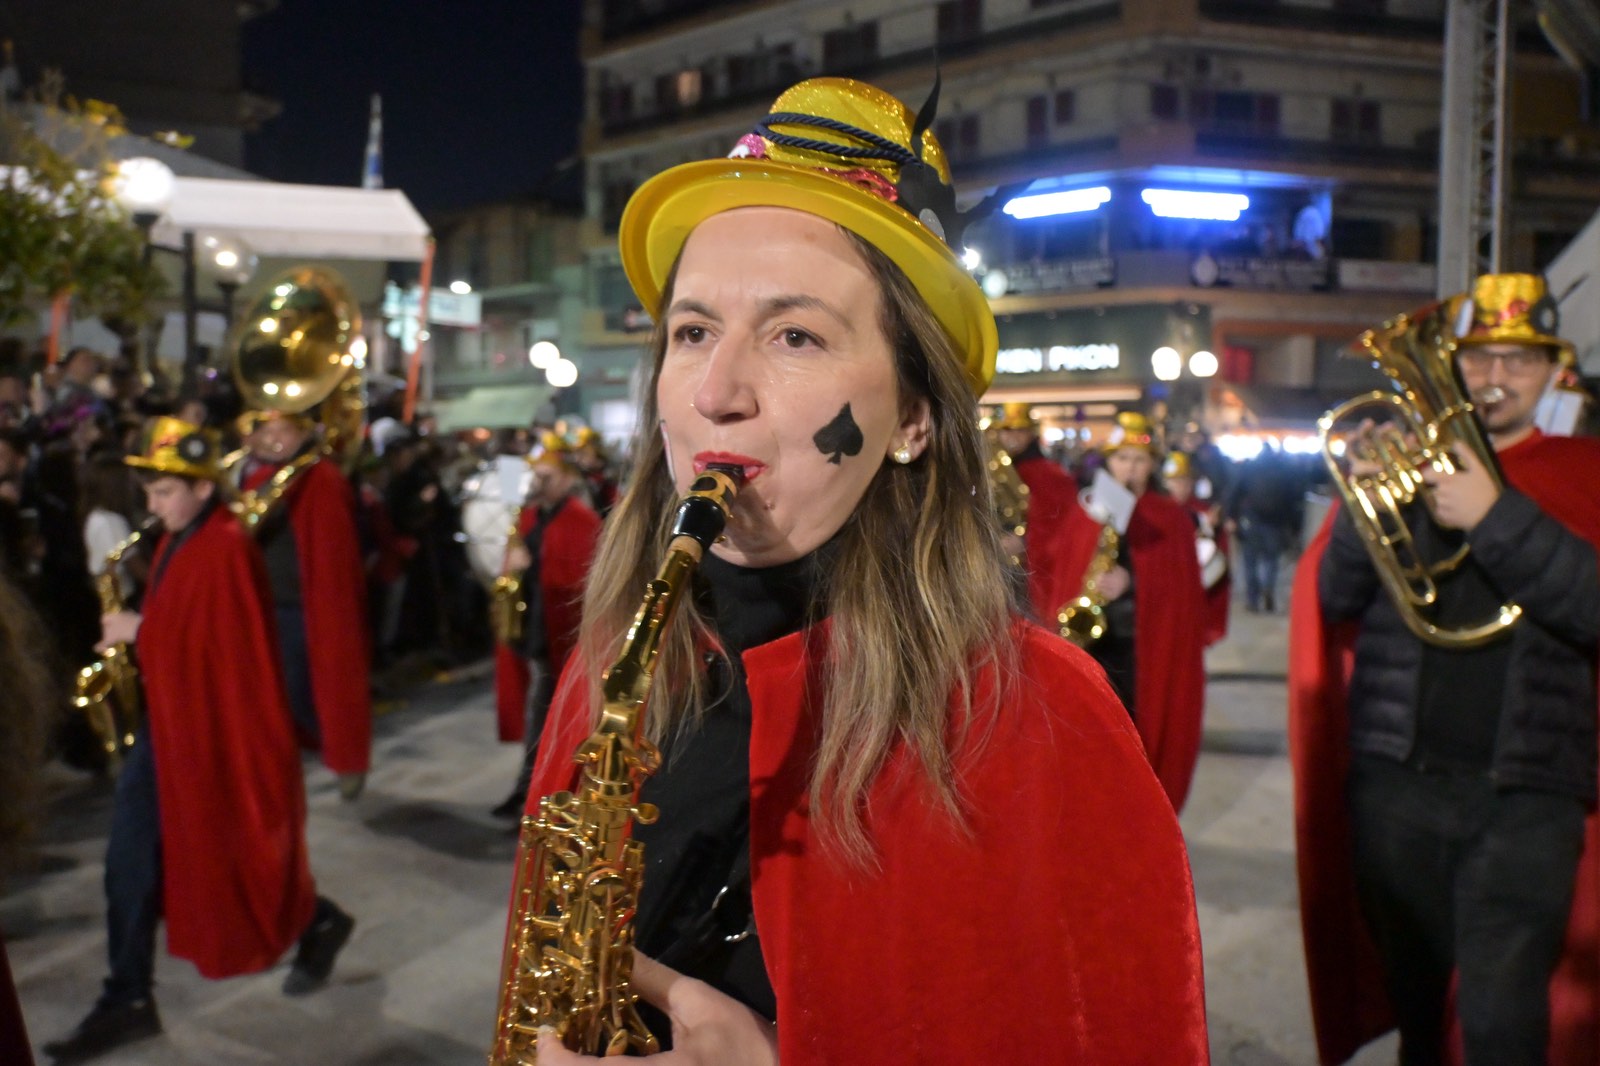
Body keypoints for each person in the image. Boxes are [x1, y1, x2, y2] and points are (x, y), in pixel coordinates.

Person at [522, 77, 1207, 1064]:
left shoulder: (1045, 716)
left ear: (913, 419)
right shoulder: (618, 659)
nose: (715, 392)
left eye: (795, 335)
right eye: (693, 331)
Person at [1290, 273, 1600, 1065]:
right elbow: (1334, 598)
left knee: (1503, 1023)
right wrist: (1361, 506)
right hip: (1395, 784)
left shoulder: (1586, 473)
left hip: (1526, 798)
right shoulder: (1406, 466)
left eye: (1518, 360)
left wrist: (1494, 516)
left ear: (1553, 369)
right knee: (1418, 1015)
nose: (1496, 377)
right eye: (1479, 357)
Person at [44, 417, 355, 1063]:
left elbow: (227, 652)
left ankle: (312, 919)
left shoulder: (223, 545)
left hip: (209, 732)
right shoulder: (179, 539)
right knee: (138, 862)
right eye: (150, 493)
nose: (153, 505)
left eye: (164, 492)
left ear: (203, 488)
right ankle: (129, 994)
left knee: (216, 857)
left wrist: (139, 630)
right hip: (174, 726)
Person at [1045, 411, 1207, 811]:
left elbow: (1181, 591)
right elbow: (1061, 568)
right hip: (1093, 647)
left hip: (1140, 650)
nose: (1130, 468)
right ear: (1108, 462)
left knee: (1135, 735)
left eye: (1139, 460)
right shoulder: (1086, 511)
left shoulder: (1171, 517)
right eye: (1122, 459)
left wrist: (1132, 582)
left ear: (1152, 465)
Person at [235, 409, 372, 799]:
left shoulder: (321, 478)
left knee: (305, 689)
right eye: (267, 430)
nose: (273, 438)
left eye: (282, 430)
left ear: (302, 433)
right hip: (268, 602)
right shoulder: (259, 477)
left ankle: (334, 754)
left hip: (302, 603)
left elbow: (333, 553)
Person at [490, 433, 602, 818]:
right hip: (534, 630)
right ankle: (531, 792)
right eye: (535, 476)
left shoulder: (581, 521)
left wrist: (531, 563)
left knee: (549, 721)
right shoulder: (530, 516)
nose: (538, 484)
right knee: (538, 719)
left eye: (547, 477)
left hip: (560, 639)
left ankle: (538, 796)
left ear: (568, 479)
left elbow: (579, 584)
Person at [992, 400, 1078, 622]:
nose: (1012, 437)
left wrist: (1024, 541)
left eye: (1019, 430)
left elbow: (1061, 527)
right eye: (1006, 430)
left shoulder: (1051, 475)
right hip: (998, 570)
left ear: (1031, 433)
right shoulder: (992, 471)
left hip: (1035, 572)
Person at [1165, 450, 1231, 647]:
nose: (1181, 487)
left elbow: (1216, 556)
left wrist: (1212, 529)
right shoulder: (1159, 509)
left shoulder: (1202, 510)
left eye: (1185, 481)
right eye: (1175, 481)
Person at [571, 425, 620, 518]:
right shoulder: (579, 476)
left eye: (583, 453)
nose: (577, 458)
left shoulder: (612, 474)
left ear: (597, 451)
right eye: (576, 453)